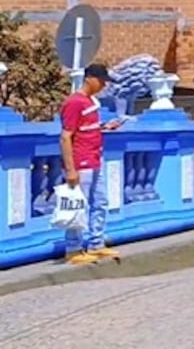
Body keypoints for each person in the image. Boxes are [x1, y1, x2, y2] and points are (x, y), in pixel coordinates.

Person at [60, 63, 124, 266]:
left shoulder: (90, 102)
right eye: (102, 81)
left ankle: (96, 243)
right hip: (81, 162)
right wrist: (71, 169)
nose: (104, 85)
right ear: (90, 79)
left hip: (96, 158)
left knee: (99, 202)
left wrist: (104, 127)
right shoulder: (75, 102)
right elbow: (65, 136)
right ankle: (73, 248)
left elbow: (85, 129)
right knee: (79, 204)